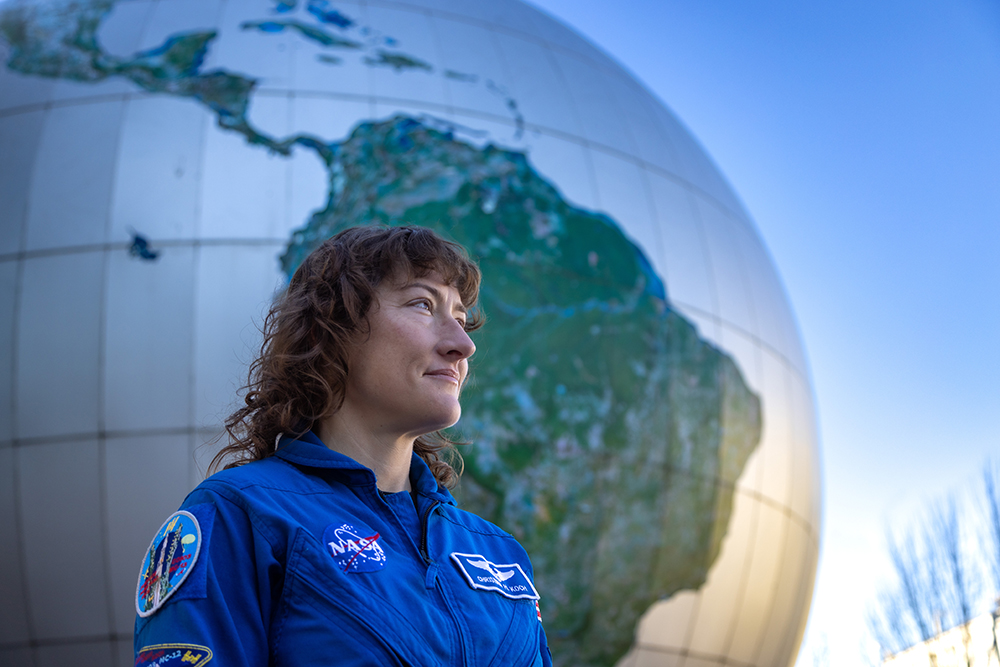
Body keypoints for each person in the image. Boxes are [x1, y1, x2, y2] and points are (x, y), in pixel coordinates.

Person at [133, 225, 552, 667]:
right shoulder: (238, 518)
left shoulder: (499, 552)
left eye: (463, 321)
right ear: (329, 331)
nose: (462, 345)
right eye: (422, 305)